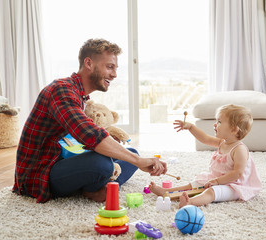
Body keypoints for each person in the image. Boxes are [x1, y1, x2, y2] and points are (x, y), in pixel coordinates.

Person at [13, 38, 167, 203]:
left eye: (115, 68)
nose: (114, 74)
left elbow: (81, 139)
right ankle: (98, 187)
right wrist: (138, 161)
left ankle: (101, 189)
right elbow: (90, 135)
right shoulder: (61, 90)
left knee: (131, 153)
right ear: (88, 63)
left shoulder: (78, 94)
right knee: (103, 164)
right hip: (39, 174)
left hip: (58, 159)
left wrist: (131, 157)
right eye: (109, 67)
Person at [149, 104, 261, 208]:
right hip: (216, 179)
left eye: (220, 122)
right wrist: (191, 127)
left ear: (234, 129)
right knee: (194, 184)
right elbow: (205, 139)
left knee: (211, 192)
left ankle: (190, 202)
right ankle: (166, 192)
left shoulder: (239, 149)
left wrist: (217, 181)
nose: (215, 124)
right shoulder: (222, 142)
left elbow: (237, 173)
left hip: (235, 186)